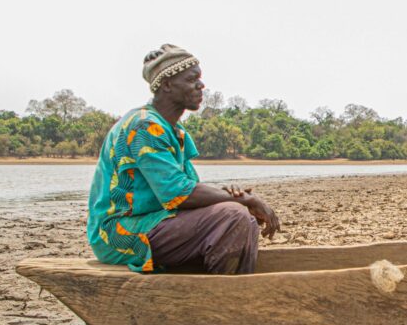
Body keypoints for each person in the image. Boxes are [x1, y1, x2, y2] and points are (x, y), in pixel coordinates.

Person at [87, 44, 280, 274]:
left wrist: (234, 198)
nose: (201, 85)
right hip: (116, 233)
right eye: (192, 79)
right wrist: (245, 200)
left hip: (153, 220)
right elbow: (177, 193)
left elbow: (187, 190)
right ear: (167, 85)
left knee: (243, 218)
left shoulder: (174, 130)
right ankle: (220, 292)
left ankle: (228, 289)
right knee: (233, 216)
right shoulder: (145, 126)